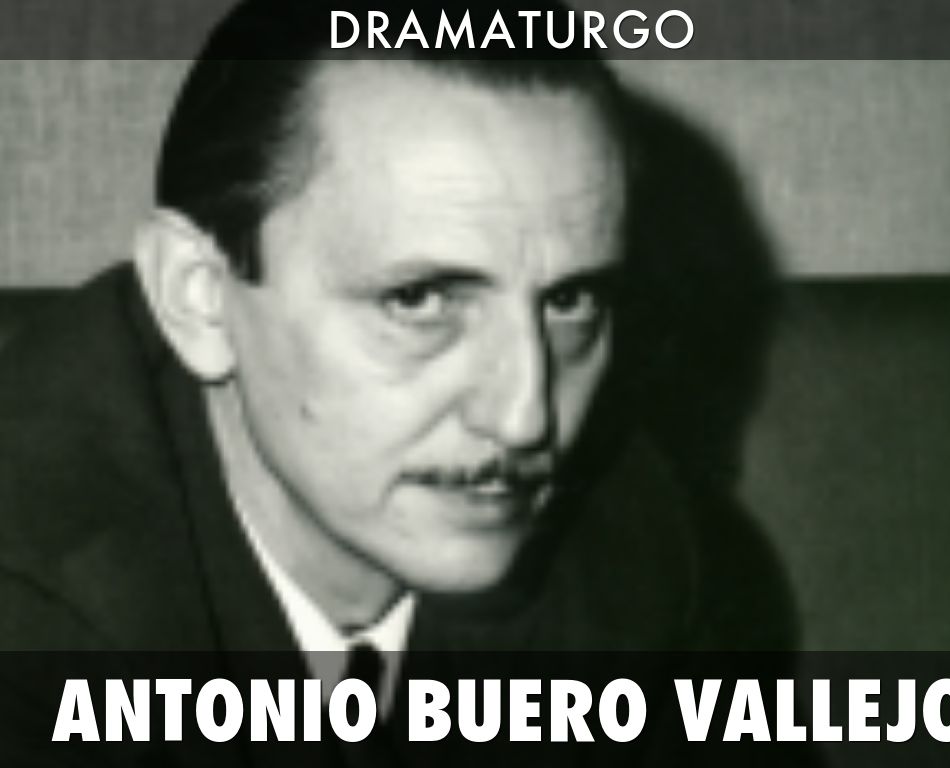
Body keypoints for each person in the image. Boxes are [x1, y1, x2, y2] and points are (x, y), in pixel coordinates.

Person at [0, 0, 804, 764]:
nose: (525, 418)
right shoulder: (32, 601)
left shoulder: (636, 550)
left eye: (570, 301)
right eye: (418, 300)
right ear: (201, 298)